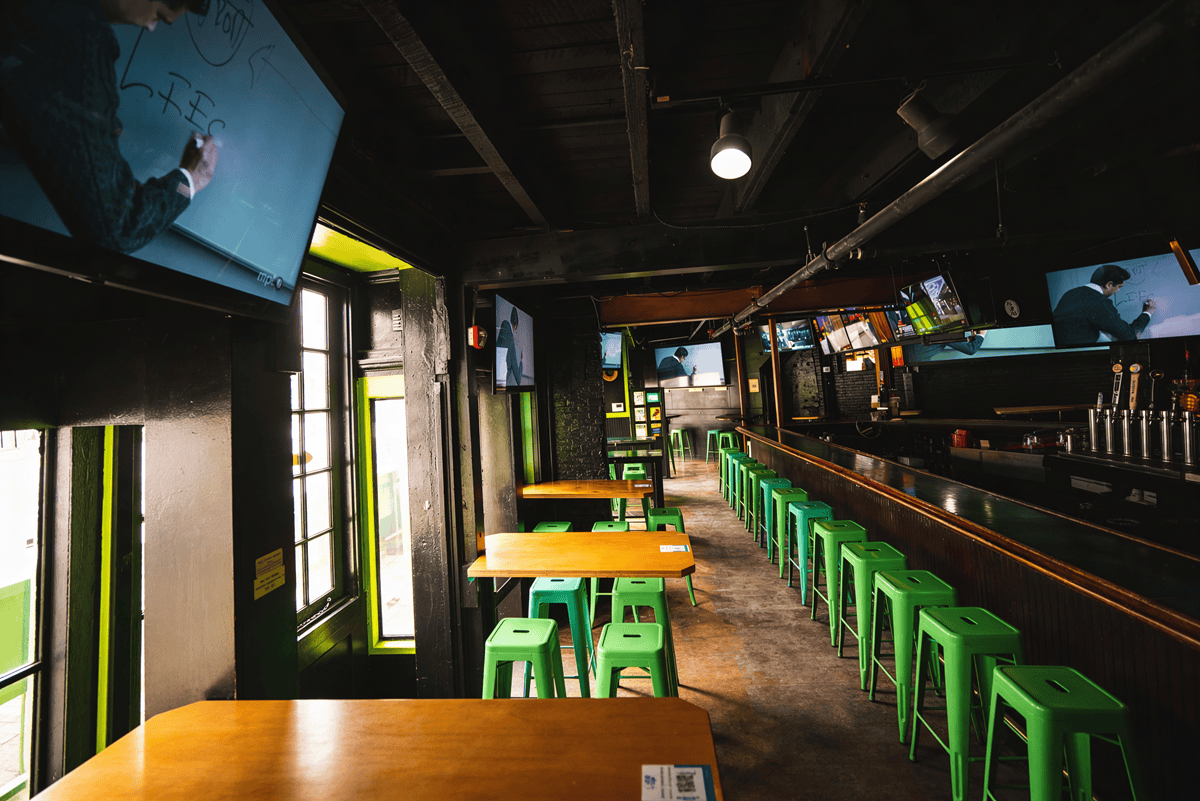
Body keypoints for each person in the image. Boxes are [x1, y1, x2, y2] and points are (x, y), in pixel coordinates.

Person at [0, 0, 218, 255]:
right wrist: (190, 179)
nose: (150, 27)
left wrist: (94, 131)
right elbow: (118, 228)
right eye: (157, 15)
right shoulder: (80, 41)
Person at [1051, 264, 1154, 347]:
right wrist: (1147, 313)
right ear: (1109, 284)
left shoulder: (1070, 293)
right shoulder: (1100, 302)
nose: (1118, 291)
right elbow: (1129, 336)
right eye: (1119, 287)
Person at [496, 307, 522, 387]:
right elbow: (518, 379)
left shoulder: (504, 326)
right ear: (516, 325)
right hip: (502, 380)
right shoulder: (510, 339)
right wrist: (521, 362)